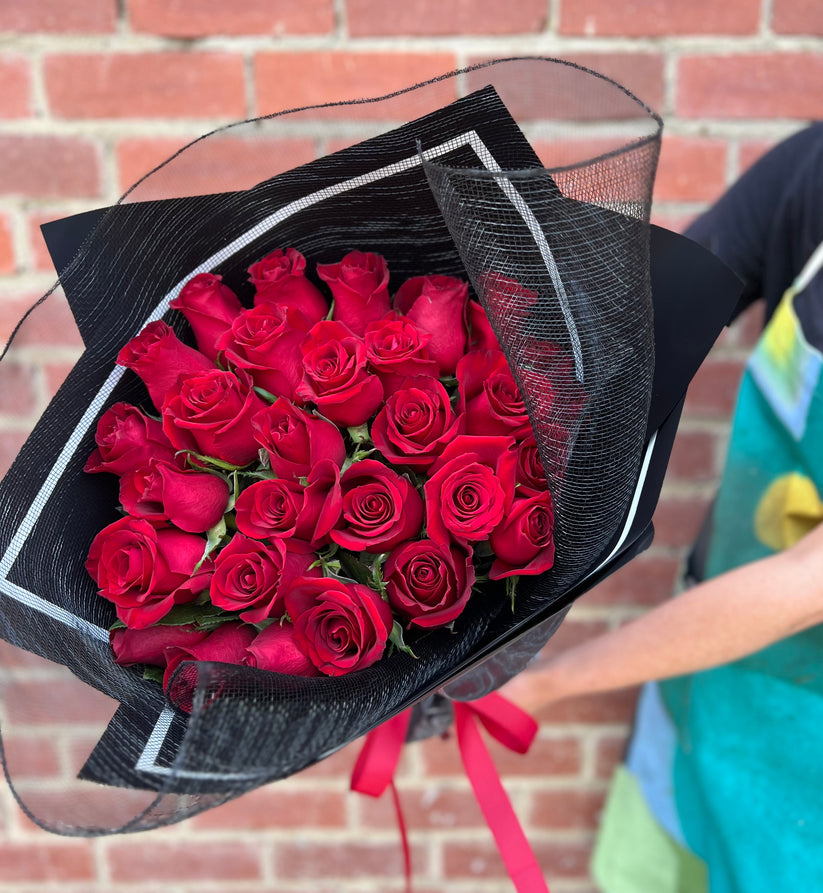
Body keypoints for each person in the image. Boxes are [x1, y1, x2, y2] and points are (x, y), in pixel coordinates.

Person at [502, 121, 823, 892]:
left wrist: (540, 681)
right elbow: (645, 329)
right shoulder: (815, 173)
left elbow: (804, 583)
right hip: (705, 660)